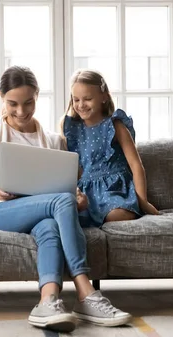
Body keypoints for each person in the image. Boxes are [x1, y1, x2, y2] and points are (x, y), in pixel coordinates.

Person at [0, 66, 131, 332]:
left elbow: (68, 188)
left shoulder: (53, 140)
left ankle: (47, 301)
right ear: (1, 97)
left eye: (28, 102)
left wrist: (78, 199)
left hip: (40, 213)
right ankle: (86, 292)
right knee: (59, 201)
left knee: (50, 226)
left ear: (37, 96)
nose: (21, 111)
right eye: (12, 104)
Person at [62, 69, 160, 227]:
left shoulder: (115, 125)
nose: (81, 105)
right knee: (65, 218)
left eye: (87, 99)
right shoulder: (70, 128)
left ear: (103, 97)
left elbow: (136, 165)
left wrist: (144, 202)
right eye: (76, 99)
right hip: (86, 193)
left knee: (115, 216)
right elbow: (73, 168)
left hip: (114, 189)